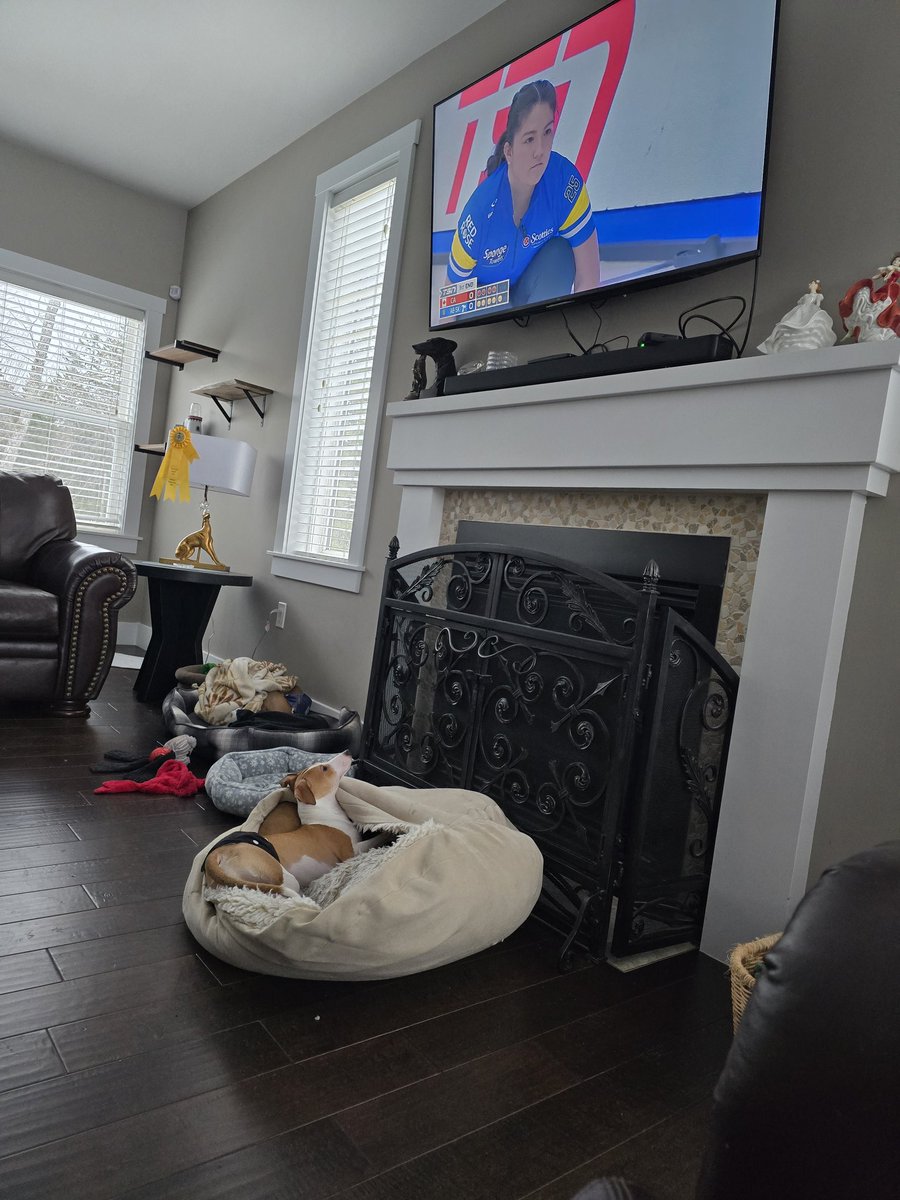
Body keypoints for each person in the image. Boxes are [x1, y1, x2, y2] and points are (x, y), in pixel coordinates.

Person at [446, 79, 601, 309]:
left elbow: (589, 279)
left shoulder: (565, 182)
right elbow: (450, 298)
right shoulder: (479, 211)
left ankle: (544, 333)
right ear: (509, 151)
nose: (540, 150)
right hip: (488, 302)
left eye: (547, 132)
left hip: (531, 288)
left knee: (561, 253)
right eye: (529, 139)